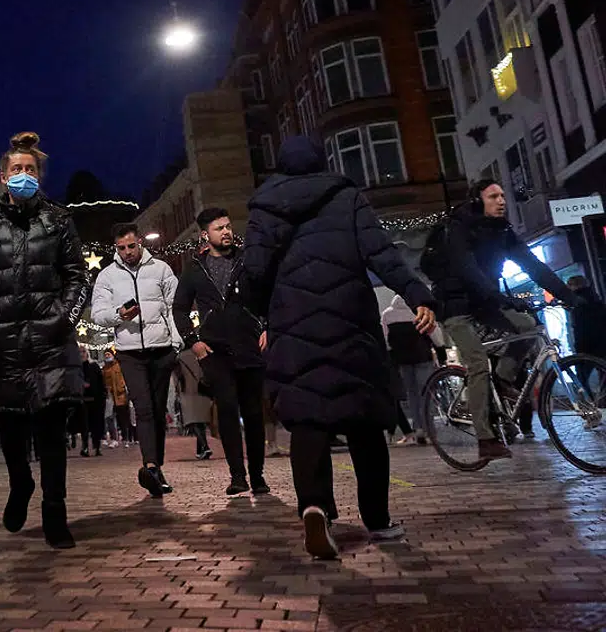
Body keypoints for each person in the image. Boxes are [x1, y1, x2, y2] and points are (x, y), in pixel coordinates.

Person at [243, 136, 437, 560]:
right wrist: (417, 294)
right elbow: (382, 255)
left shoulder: (262, 207)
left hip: (293, 322)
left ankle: (314, 507)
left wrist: (266, 316)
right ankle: (379, 520)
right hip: (350, 317)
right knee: (364, 419)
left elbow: (254, 272)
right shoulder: (347, 196)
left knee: (308, 420)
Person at [0, 132, 88, 550]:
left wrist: (63, 318)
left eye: (29, 169)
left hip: (51, 341)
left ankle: (56, 513)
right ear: (2, 176)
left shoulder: (57, 219)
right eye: (15, 169)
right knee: (11, 429)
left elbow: (77, 276)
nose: (22, 175)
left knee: (52, 435)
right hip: (6, 343)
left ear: (40, 175)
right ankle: (21, 485)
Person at [426, 179, 577, 465]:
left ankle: (504, 377)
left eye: (503, 196)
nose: (501, 201)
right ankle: (485, 439)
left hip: (485, 300)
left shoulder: (502, 231)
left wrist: (568, 294)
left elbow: (533, 265)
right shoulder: (459, 228)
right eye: (493, 196)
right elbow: (466, 268)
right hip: (455, 304)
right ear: (477, 201)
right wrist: (499, 297)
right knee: (478, 362)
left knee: (529, 327)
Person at [172, 207, 269, 497]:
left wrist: (266, 327)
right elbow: (179, 309)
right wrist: (194, 342)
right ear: (205, 234)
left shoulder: (246, 259)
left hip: (250, 346)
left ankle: (258, 476)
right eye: (219, 228)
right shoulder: (194, 269)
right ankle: (237, 476)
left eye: (227, 226)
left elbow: (265, 296)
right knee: (227, 411)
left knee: (253, 413)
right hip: (215, 351)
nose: (226, 231)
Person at [90, 223, 181, 496]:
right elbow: (98, 314)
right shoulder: (106, 277)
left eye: (131, 246)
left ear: (140, 242)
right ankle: (150, 466)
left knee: (157, 410)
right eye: (121, 248)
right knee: (143, 409)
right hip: (129, 353)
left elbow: (174, 308)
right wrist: (118, 314)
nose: (128, 252)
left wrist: (176, 343)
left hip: (162, 348)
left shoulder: (161, 270)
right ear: (115, 248)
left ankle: (157, 467)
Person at [381, 294, 446, 446]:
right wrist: (441, 350)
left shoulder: (387, 314)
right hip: (422, 356)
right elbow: (434, 332)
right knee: (426, 395)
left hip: (402, 360)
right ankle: (429, 430)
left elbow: (385, 339)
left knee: (412, 396)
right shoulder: (418, 311)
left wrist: (392, 354)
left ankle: (418, 429)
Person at [174, 351, 213, 459]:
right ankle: (200, 450)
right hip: (202, 389)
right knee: (200, 421)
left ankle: (205, 447)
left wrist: (178, 392)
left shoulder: (179, 357)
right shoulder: (199, 352)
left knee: (193, 421)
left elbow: (178, 377)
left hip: (187, 392)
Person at [567, 275, 606, 360]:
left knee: (583, 365)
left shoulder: (577, 298)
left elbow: (580, 321)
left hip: (585, 340)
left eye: (570, 285)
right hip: (600, 338)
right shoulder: (593, 296)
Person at [77, 347, 106, 457]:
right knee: (84, 425)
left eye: (83, 352)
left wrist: (102, 395)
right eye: (79, 352)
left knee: (97, 424)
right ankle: (85, 447)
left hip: (96, 400)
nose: (82, 354)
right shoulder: (77, 368)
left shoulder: (94, 366)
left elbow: (101, 382)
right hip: (82, 400)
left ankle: (97, 446)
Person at [101, 351, 126, 448]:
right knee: (110, 417)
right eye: (105, 354)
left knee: (122, 417)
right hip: (109, 396)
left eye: (108, 354)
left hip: (120, 395)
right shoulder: (104, 368)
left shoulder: (118, 366)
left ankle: (125, 437)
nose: (107, 356)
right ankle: (114, 438)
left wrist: (122, 388)